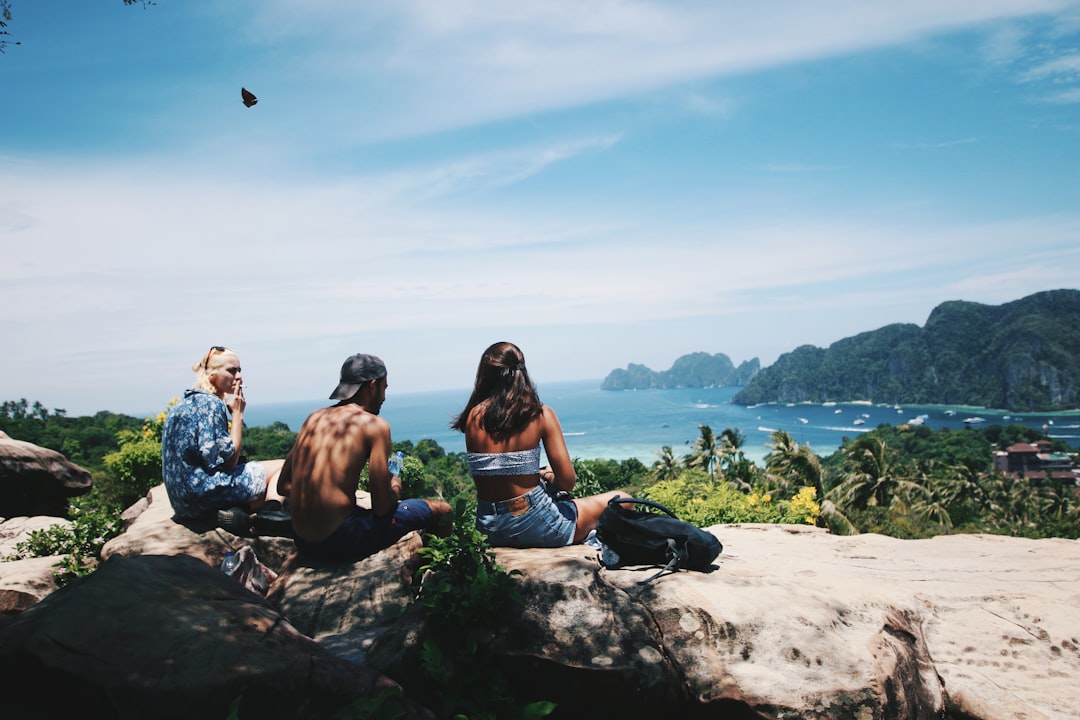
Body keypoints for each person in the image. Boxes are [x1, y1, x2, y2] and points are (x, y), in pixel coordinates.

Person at [278, 353, 452, 562]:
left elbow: (283, 485)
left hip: (303, 541)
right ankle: (439, 576)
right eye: (384, 388)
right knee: (442, 509)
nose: (385, 397)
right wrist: (395, 486)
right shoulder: (374, 425)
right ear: (372, 386)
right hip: (340, 540)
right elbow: (382, 508)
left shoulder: (314, 418)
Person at [451, 341, 625, 548]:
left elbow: (499, 473)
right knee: (623, 500)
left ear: (484, 376)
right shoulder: (540, 414)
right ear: (522, 372)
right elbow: (567, 482)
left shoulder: (473, 417)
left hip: (489, 528)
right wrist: (548, 475)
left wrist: (533, 474)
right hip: (536, 523)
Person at [161, 345, 289, 532]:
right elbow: (228, 462)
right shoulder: (211, 404)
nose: (239, 377)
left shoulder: (182, 405)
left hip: (183, 503)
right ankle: (272, 513)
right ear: (212, 374)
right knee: (284, 467)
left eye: (239, 370)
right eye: (231, 370)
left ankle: (237, 512)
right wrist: (237, 414)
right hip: (205, 494)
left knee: (262, 482)